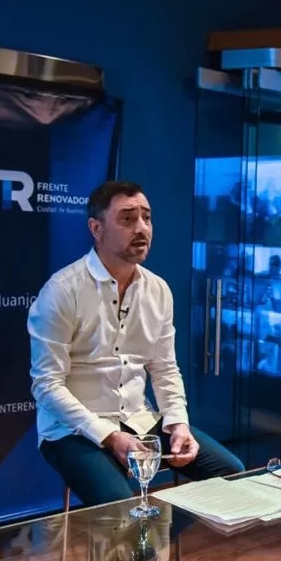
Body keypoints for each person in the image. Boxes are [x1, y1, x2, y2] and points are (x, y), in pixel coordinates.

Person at [28, 181, 245, 507]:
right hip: (72, 430)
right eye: (127, 219)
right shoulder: (62, 291)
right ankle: (137, 536)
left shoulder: (158, 290)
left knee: (231, 473)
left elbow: (164, 368)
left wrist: (178, 423)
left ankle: (163, 537)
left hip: (138, 419)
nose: (142, 228)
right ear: (96, 228)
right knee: (120, 506)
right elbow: (46, 385)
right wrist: (108, 436)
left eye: (147, 217)